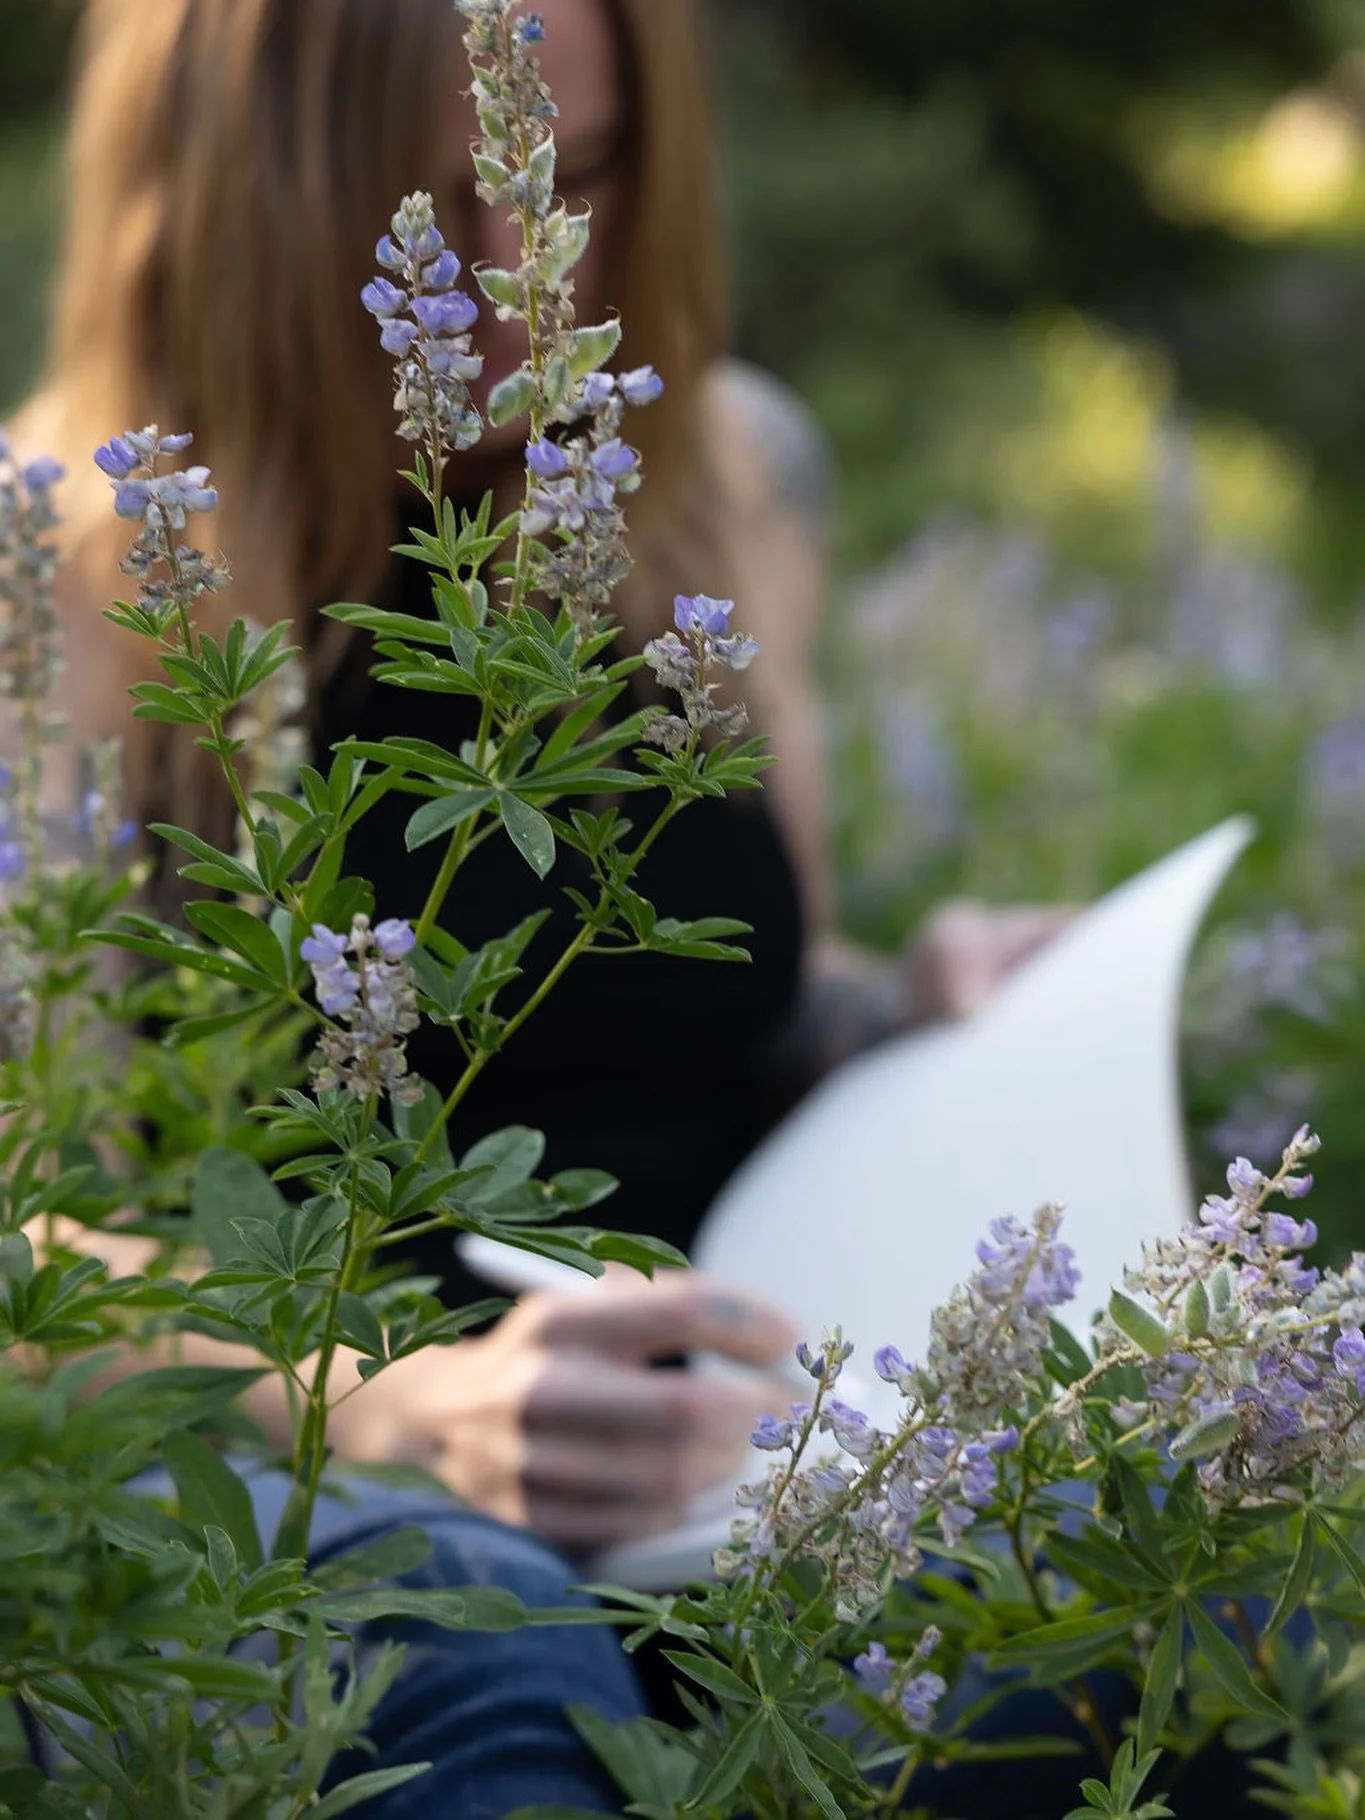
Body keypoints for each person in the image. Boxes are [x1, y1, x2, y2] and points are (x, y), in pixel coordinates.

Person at [12, 0, 1068, 1807]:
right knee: (503, 1675)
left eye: (576, 175)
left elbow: (726, 997)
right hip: (303, 1458)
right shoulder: (58, 563)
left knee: (1143, 1651)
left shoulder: (731, 476)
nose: (528, 273)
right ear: (247, 198)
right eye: (438, 204)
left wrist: (913, 1010)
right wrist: (402, 1407)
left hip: (736, 1433)